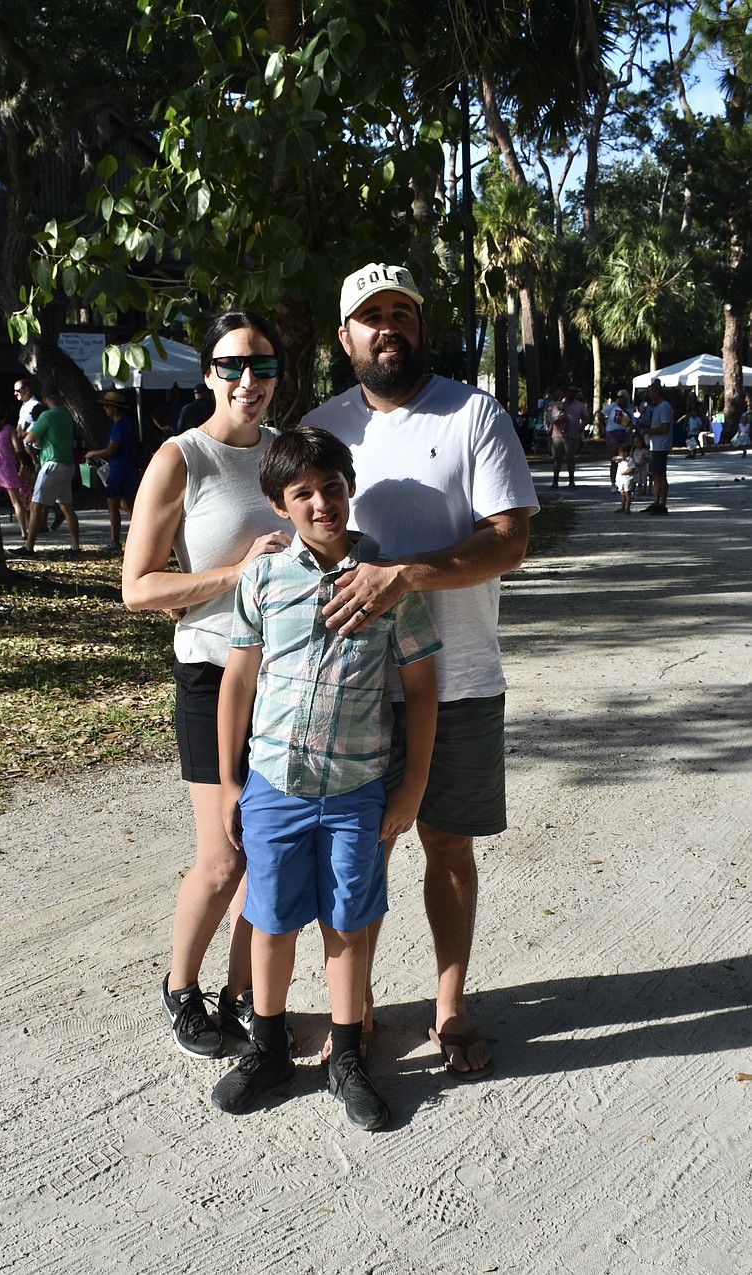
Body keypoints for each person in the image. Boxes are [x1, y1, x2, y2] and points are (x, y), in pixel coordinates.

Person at [303, 261, 539, 1078]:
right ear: (346, 338)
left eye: (402, 312)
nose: (389, 327)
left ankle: (450, 1003)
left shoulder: (474, 413)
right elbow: (296, 533)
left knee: (447, 843)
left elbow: (509, 539)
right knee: (357, 854)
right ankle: (356, 1008)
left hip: (461, 676)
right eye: (372, 316)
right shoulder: (322, 429)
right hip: (352, 688)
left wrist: (404, 575)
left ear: (419, 326)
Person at [210, 427, 441, 1127]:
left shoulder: (389, 582)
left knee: (348, 921)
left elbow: (421, 688)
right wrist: (229, 781)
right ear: (280, 505)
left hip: (354, 789)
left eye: (332, 487)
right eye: (302, 493)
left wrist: (411, 786)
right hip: (274, 783)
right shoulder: (262, 579)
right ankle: (268, 1048)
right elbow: (238, 680)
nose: (321, 503)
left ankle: (346, 1057)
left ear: (350, 487)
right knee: (271, 919)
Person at [121, 309, 292, 1060]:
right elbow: (137, 586)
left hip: (284, 679)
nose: (248, 379)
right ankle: (180, 987)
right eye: (232, 366)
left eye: (262, 365)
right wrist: (234, 573)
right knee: (223, 857)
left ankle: (242, 993)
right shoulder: (181, 458)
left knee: (268, 852)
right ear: (209, 375)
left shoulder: (288, 454)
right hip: (210, 675)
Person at [9, 383, 81, 557]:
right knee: (67, 507)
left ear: (45, 399)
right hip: (67, 464)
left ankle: (28, 547)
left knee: (35, 505)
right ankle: (75, 547)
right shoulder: (66, 415)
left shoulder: (47, 416)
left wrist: (31, 441)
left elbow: (29, 438)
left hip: (52, 464)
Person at [85, 390, 141, 552]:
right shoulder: (124, 424)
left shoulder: (120, 425)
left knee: (112, 503)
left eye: (107, 406)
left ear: (114, 408)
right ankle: (139, 538)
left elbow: (111, 449)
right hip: (126, 468)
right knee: (128, 504)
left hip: (120, 469)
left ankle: (115, 541)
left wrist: (93, 453)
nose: (105, 409)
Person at [0, 403, 33, 542]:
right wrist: (22, 463)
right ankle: (23, 531)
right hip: (8, 468)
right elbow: (17, 449)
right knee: (16, 502)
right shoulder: (9, 430)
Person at [641, 379, 673, 515]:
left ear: (657, 393)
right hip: (655, 445)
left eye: (650, 392)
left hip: (661, 445)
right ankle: (655, 502)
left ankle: (662, 504)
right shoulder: (656, 407)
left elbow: (665, 427)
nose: (649, 395)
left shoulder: (664, 406)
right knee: (655, 475)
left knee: (660, 475)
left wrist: (648, 431)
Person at [552, 384, 588, 488]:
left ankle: (571, 481)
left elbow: (586, 418)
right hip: (557, 435)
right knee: (557, 458)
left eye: (575, 391)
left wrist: (580, 427)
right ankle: (555, 481)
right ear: (566, 392)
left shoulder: (579, 405)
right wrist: (557, 419)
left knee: (570, 458)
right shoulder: (558, 403)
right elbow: (551, 418)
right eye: (571, 391)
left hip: (572, 435)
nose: (573, 393)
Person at [600, 390, 633, 487]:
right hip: (612, 433)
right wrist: (603, 426)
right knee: (614, 458)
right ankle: (613, 483)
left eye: (622, 397)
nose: (619, 399)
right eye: (618, 397)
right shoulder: (613, 406)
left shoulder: (629, 409)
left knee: (626, 458)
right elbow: (600, 414)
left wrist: (631, 427)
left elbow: (633, 422)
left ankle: (626, 481)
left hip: (624, 434)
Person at [615, 443, 635, 513]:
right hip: (621, 479)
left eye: (621, 452)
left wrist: (625, 472)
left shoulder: (630, 460)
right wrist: (620, 458)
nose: (620, 454)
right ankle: (622, 507)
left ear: (626, 452)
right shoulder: (620, 460)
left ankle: (628, 508)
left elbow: (633, 469)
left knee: (627, 493)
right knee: (622, 493)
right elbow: (613, 458)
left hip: (627, 479)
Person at [631, 431, 650, 498]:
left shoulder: (644, 451)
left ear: (642, 442)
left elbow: (647, 459)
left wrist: (642, 463)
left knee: (640, 482)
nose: (636, 444)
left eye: (637, 442)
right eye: (635, 442)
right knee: (633, 482)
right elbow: (631, 458)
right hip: (634, 468)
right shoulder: (633, 450)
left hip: (642, 469)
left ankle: (639, 495)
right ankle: (632, 493)